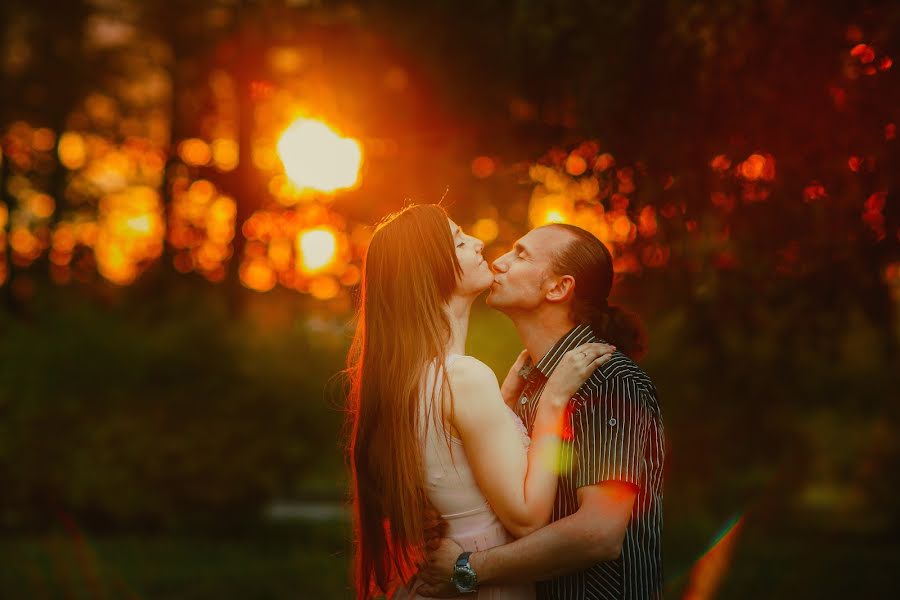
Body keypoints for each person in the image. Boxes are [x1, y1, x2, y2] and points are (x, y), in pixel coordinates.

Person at [345, 204, 616, 600]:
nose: (478, 242)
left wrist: (503, 404)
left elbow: (451, 470)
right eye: (458, 239)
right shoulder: (464, 377)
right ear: (431, 269)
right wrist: (554, 400)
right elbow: (525, 519)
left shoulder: (410, 377)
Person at [417, 223, 665, 599]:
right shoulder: (531, 383)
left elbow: (600, 534)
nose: (499, 262)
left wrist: (467, 567)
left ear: (558, 288)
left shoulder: (609, 380)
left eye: (521, 255)